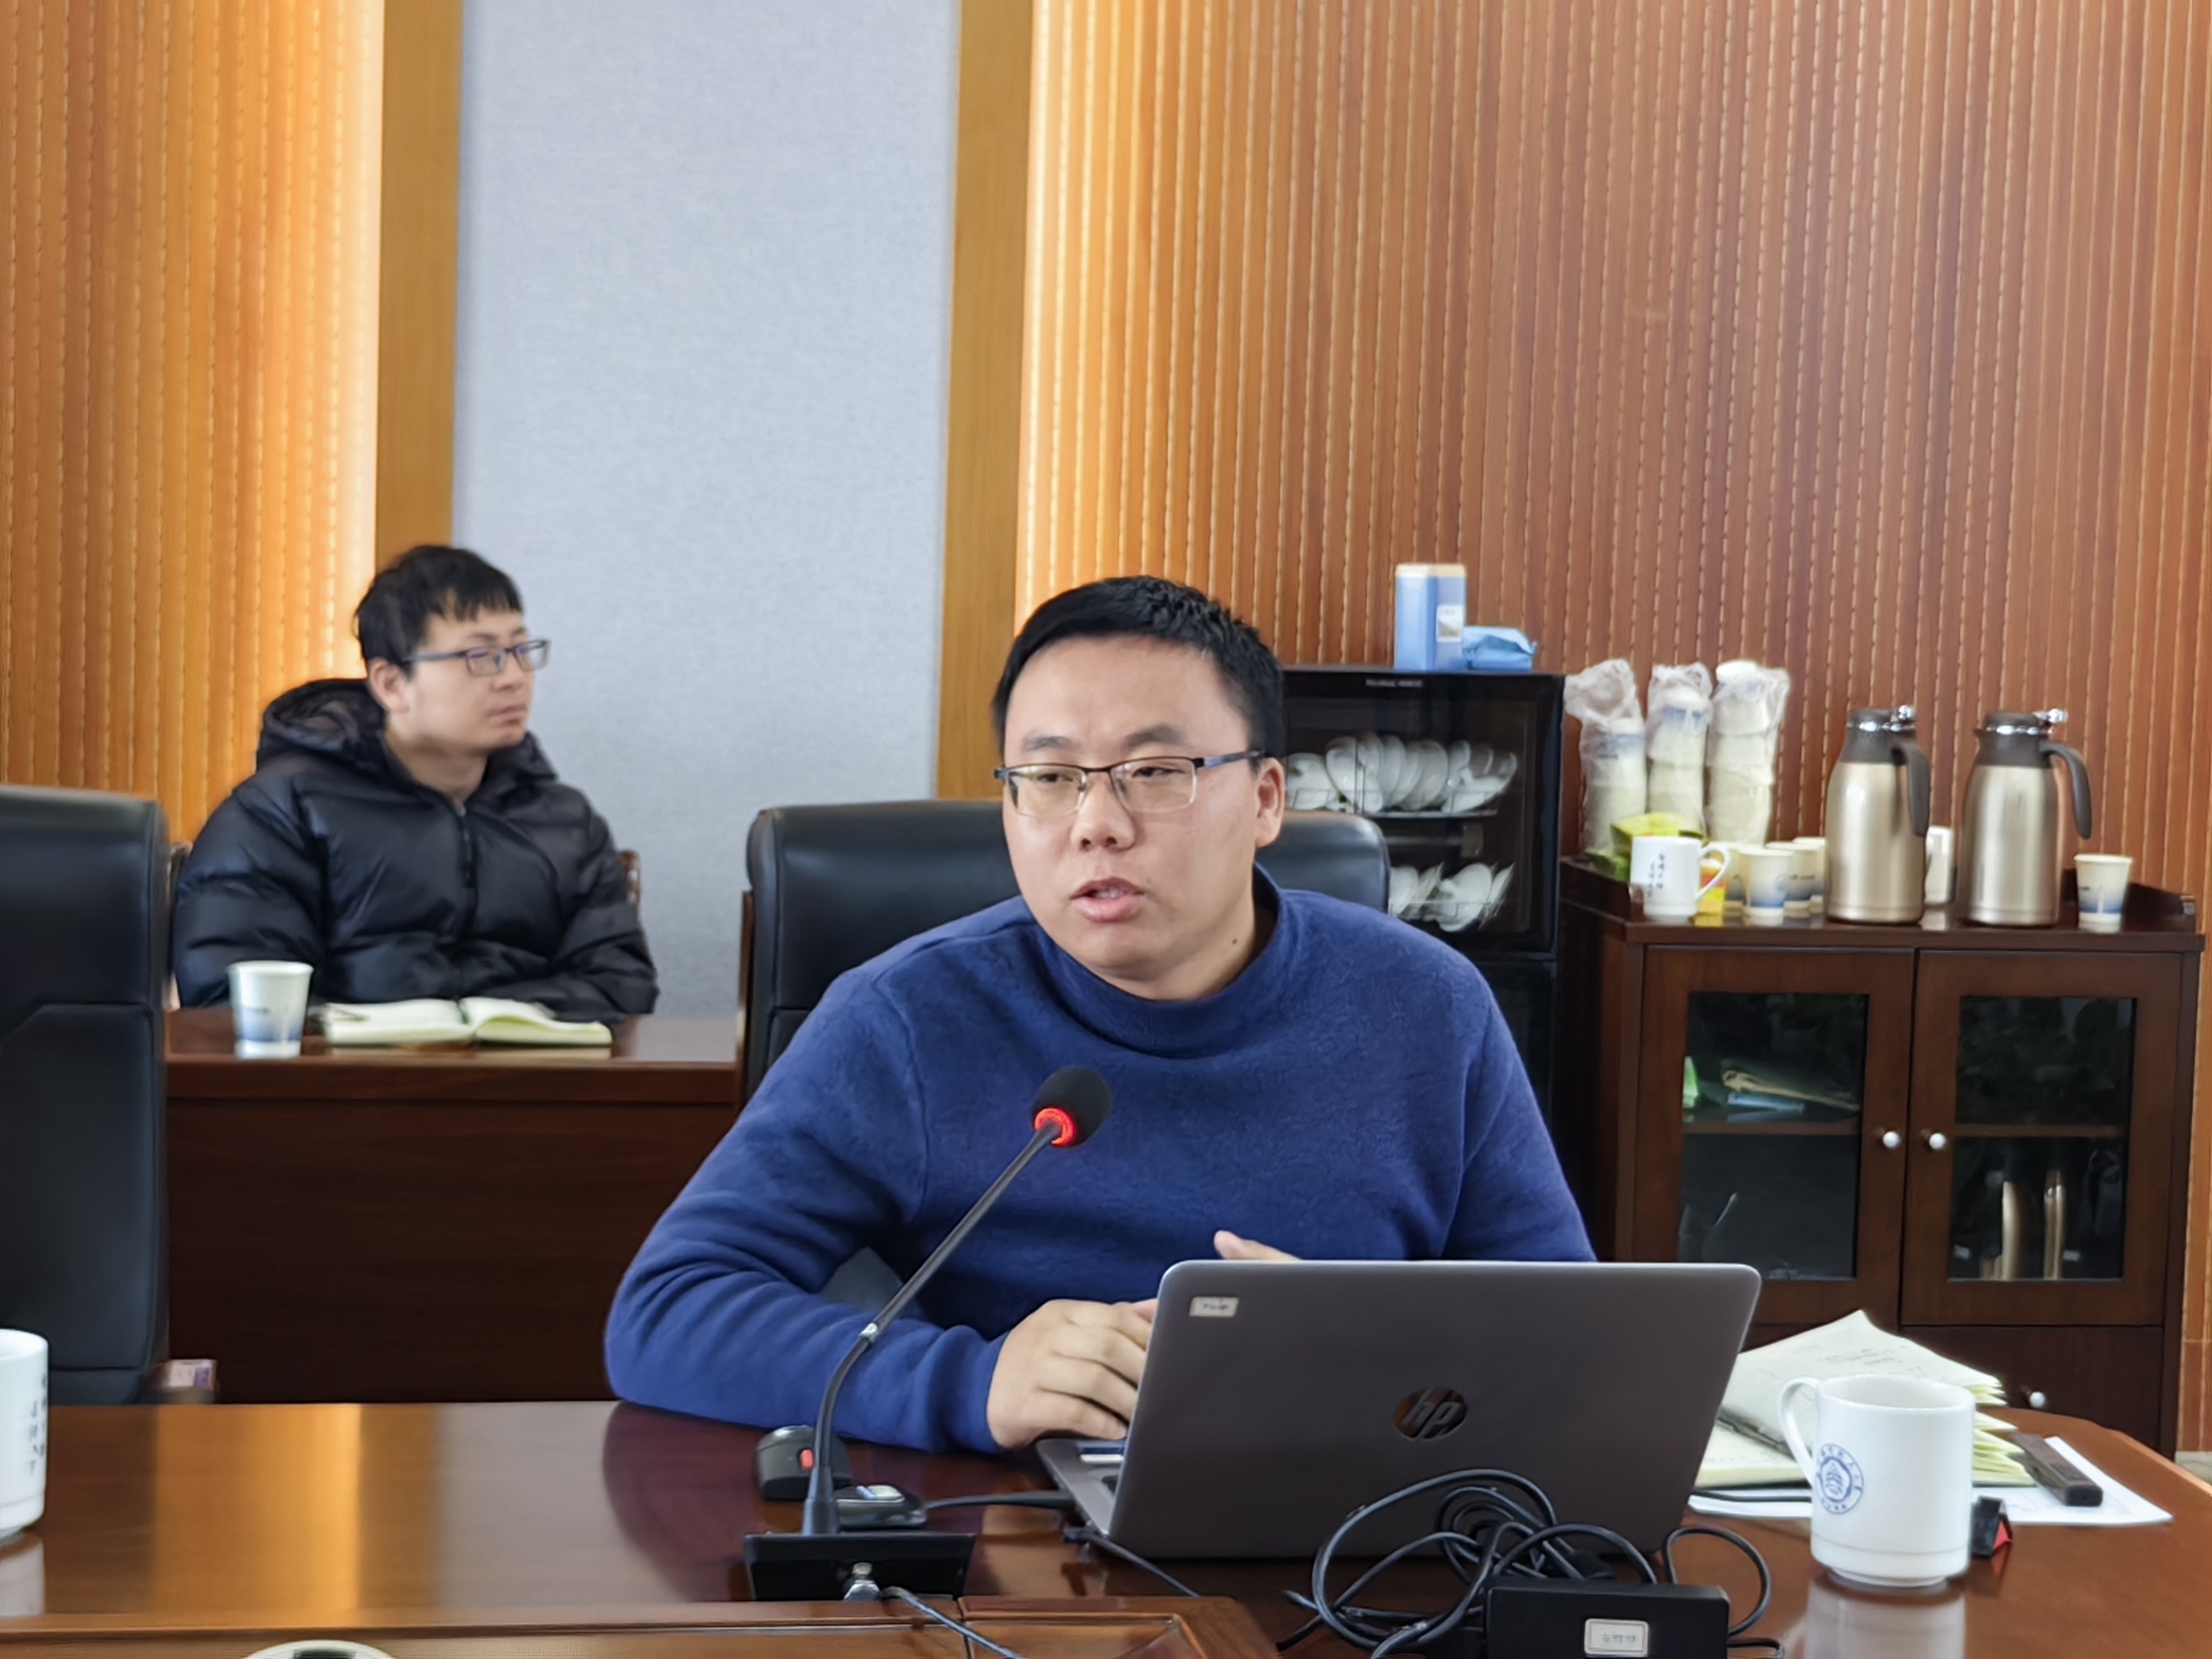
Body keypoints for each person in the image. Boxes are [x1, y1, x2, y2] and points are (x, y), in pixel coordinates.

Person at [606, 576, 1587, 1453]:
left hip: (1358, 1514)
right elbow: (668, 1311)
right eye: (1051, 778)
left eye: (1155, 773)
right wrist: (971, 1381)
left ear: (1266, 800)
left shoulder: (1428, 1006)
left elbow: (1572, 1341)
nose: (1096, 824)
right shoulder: (907, 1019)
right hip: (1024, 1537)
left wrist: (1369, 1352)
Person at [172, 544, 657, 1020]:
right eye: (481, 655)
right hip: (351, 1073)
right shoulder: (282, 811)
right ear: (392, 684)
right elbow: (238, 996)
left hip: (524, 1072)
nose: (513, 678)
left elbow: (620, 985)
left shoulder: (566, 822)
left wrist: (478, 1028)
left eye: (520, 650)